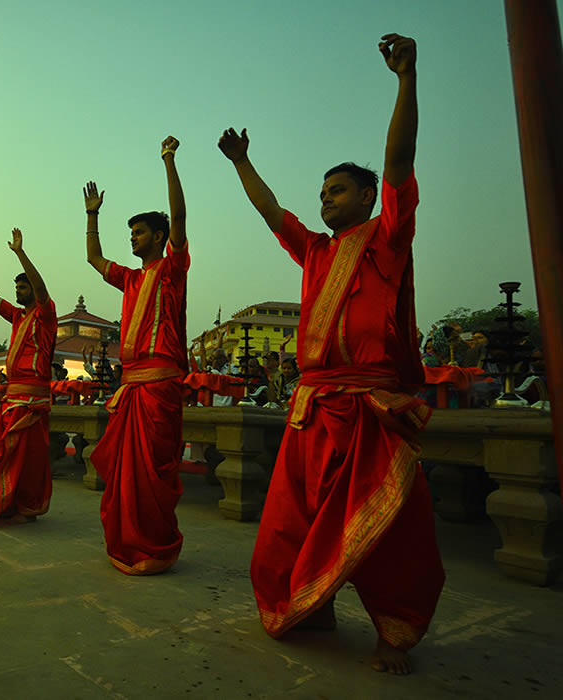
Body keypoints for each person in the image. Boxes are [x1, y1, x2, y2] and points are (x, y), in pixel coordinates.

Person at [219, 33, 443, 675]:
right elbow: (271, 212)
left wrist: (406, 79)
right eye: (322, 194)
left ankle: (392, 634)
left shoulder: (388, 238)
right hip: (312, 408)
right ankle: (308, 601)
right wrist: (241, 164)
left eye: (337, 192)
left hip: (372, 406)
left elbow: (399, 160)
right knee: (293, 521)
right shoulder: (315, 251)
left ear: (368, 199)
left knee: (391, 533)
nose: (325, 201)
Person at [83, 135, 189, 575]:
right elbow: (93, 257)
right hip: (130, 388)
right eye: (130, 233)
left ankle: (158, 546)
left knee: (154, 475)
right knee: (128, 477)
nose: (133, 238)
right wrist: (92, 216)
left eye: (139, 231)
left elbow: (181, 216)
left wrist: (168, 161)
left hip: (160, 387)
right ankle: (129, 542)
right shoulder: (129, 279)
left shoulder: (172, 268)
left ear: (160, 237)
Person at [0, 228, 57, 524]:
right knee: (3, 455)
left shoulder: (45, 315)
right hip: (12, 399)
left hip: (32, 399)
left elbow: (42, 290)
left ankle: (25, 506)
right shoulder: (17, 317)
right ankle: (6, 504)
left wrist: (20, 252)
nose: (18, 292)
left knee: (27, 459)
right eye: (17, 288)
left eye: (23, 288)